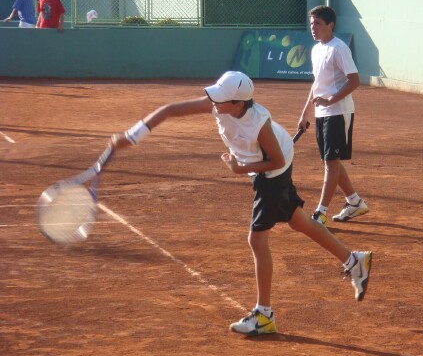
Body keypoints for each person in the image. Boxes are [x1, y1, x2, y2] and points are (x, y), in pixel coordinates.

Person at [110, 71, 373, 336]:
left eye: (220, 100)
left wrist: (240, 168)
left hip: (272, 171)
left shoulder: (258, 123)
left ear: (238, 104)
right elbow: (168, 110)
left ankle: (264, 315)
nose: (212, 102)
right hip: (268, 162)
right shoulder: (220, 105)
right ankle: (354, 260)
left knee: (257, 240)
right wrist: (131, 136)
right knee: (297, 221)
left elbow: (277, 162)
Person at [298, 5, 369, 227]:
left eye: (318, 23)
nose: (313, 28)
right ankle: (355, 202)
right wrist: (305, 113)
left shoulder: (339, 49)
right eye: (311, 24)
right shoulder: (316, 50)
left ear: (331, 25)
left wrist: (331, 100)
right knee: (330, 161)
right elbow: (317, 84)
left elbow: (354, 80)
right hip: (322, 113)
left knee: (330, 161)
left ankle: (320, 212)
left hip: (338, 112)